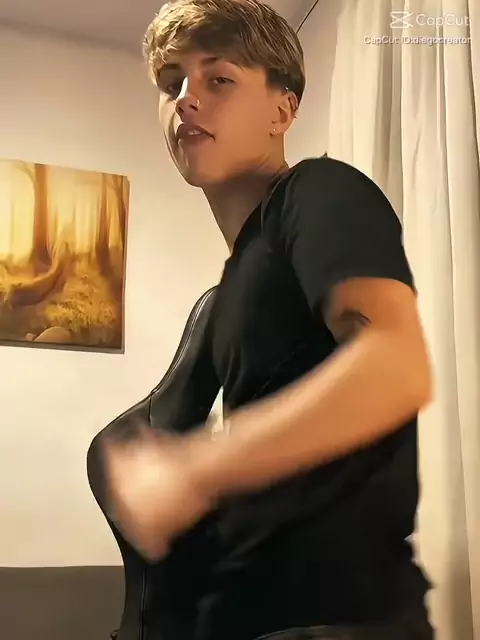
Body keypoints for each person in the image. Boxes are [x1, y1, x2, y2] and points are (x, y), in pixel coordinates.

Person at [103, 1, 435, 638]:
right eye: (171, 83)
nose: (186, 98)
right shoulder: (239, 279)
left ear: (283, 110)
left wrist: (196, 469)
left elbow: (396, 364)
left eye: (219, 78)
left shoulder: (319, 190)